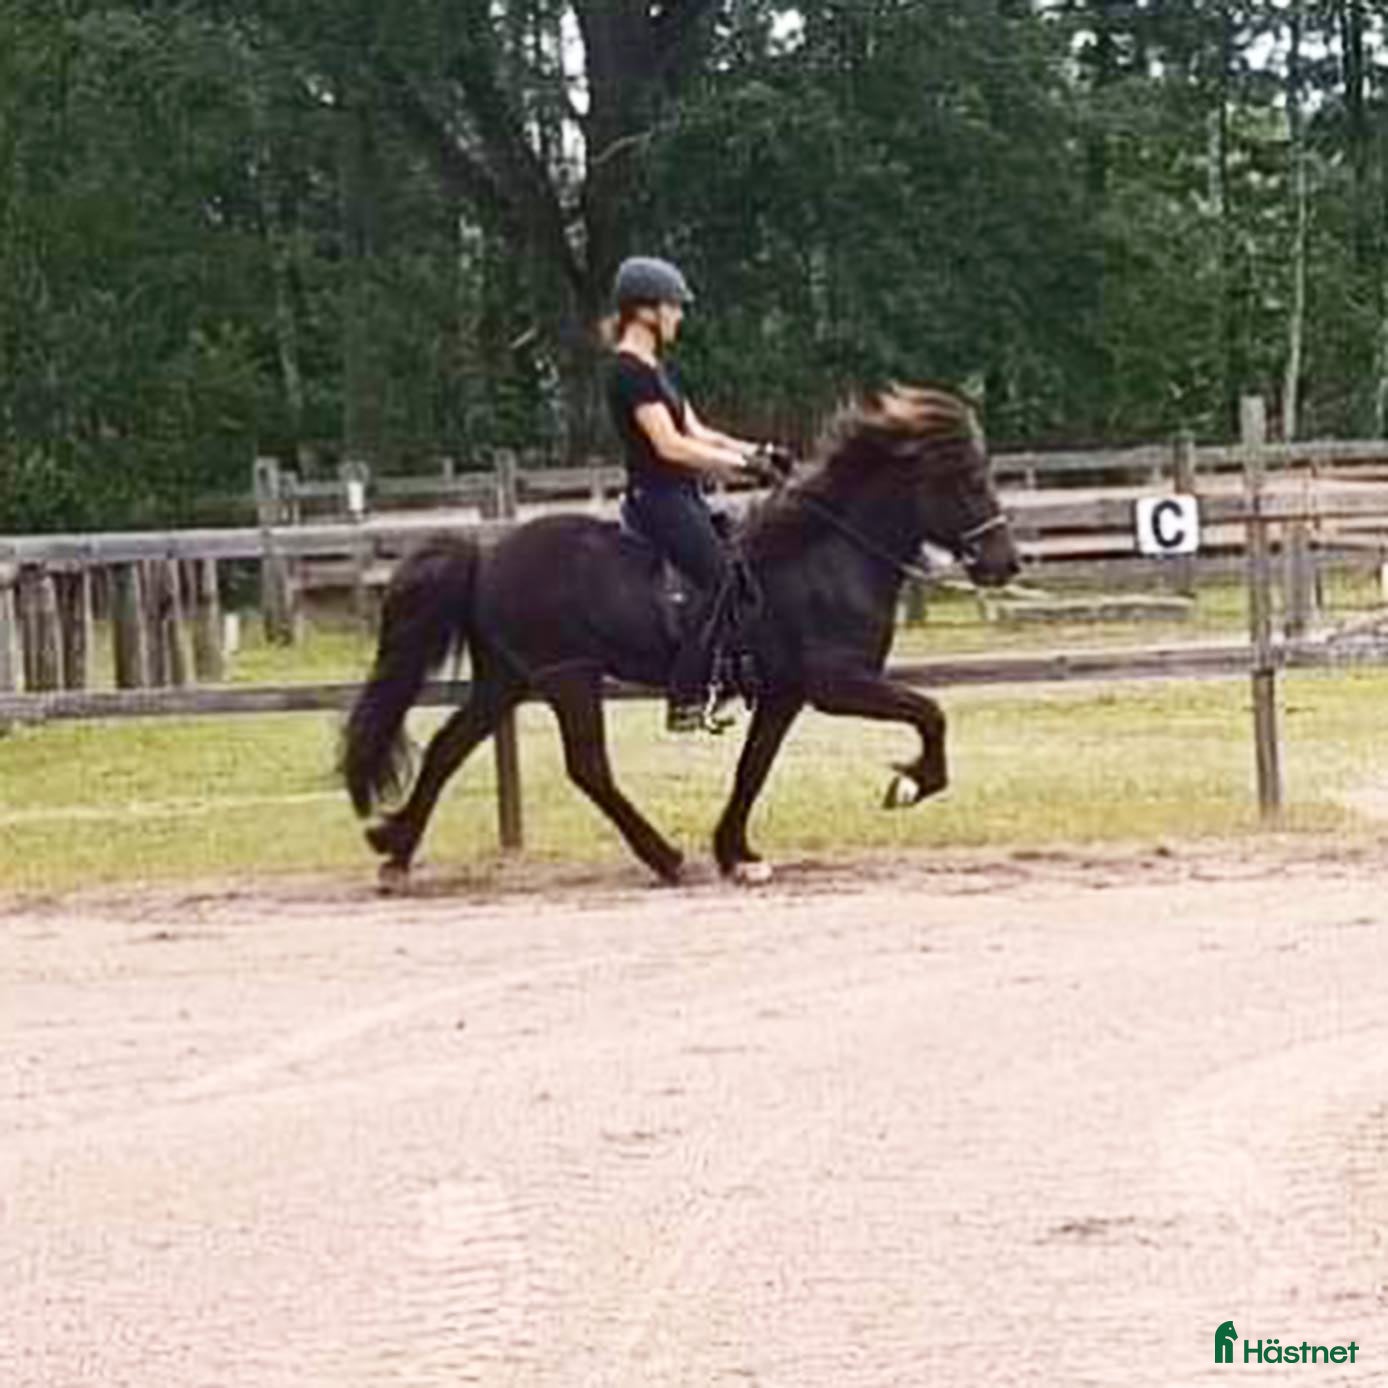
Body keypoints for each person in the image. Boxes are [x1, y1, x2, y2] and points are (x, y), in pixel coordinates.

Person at [603, 255, 772, 733]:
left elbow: (698, 430)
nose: (679, 316)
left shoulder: (656, 369)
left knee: (742, 567)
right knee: (719, 579)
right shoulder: (628, 372)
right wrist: (743, 468)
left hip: (683, 496)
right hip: (658, 499)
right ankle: (686, 695)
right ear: (646, 312)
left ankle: (732, 673)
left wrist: (759, 451)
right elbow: (669, 445)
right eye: (674, 307)